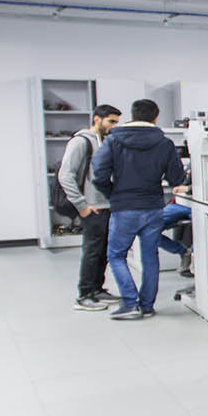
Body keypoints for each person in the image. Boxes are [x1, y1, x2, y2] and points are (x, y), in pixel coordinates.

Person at [91, 99, 188, 320]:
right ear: (155, 117)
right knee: (150, 257)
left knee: (116, 255)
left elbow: (99, 174)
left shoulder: (114, 140)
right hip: (153, 206)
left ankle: (129, 303)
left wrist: (113, 194)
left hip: (123, 207)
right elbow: (177, 178)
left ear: (132, 115)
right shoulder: (164, 143)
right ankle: (146, 305)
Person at [59, 104, 123, 311]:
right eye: (111, 121)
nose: (113, 126)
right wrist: (82, 205)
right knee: (92, 251)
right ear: (97, 119)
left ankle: (97, 289)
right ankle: (84, 294)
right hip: (92, 207)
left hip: (106, 205)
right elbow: (65, 175)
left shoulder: (105, 142)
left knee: (103, 250)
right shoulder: (80, 142)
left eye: (116, 122)